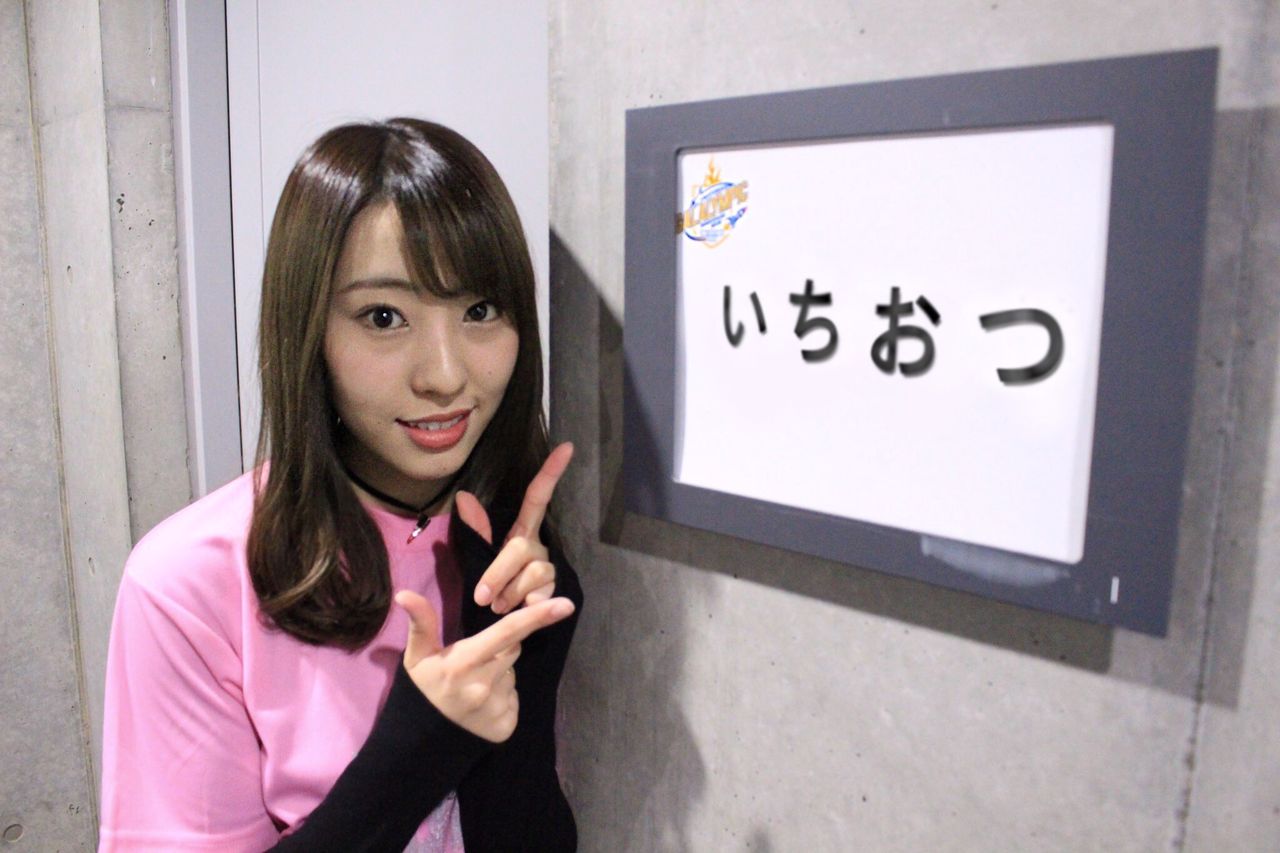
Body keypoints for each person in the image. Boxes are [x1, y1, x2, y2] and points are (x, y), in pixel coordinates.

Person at [98, 118, 582, 852]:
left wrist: (532, 671)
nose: (445, 374)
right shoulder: (187, 582)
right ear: (309, 331)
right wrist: (414, 755)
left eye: (480, 310)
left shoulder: (510, 546)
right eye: (384, 317)